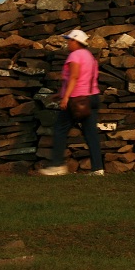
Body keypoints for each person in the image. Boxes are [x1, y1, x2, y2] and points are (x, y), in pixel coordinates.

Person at [41, 29, 104, 176]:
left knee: (60, 129)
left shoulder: (75, 55)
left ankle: (57, 165)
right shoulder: (90, 57)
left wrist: (66, 97)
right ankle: (98, 168)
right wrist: (60, 93)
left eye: (69, 40)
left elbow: (74, 77)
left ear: (76, 41)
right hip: (92, 97)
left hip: (77, 99)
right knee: (91, 134)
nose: (67, 43)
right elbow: (89, 77)